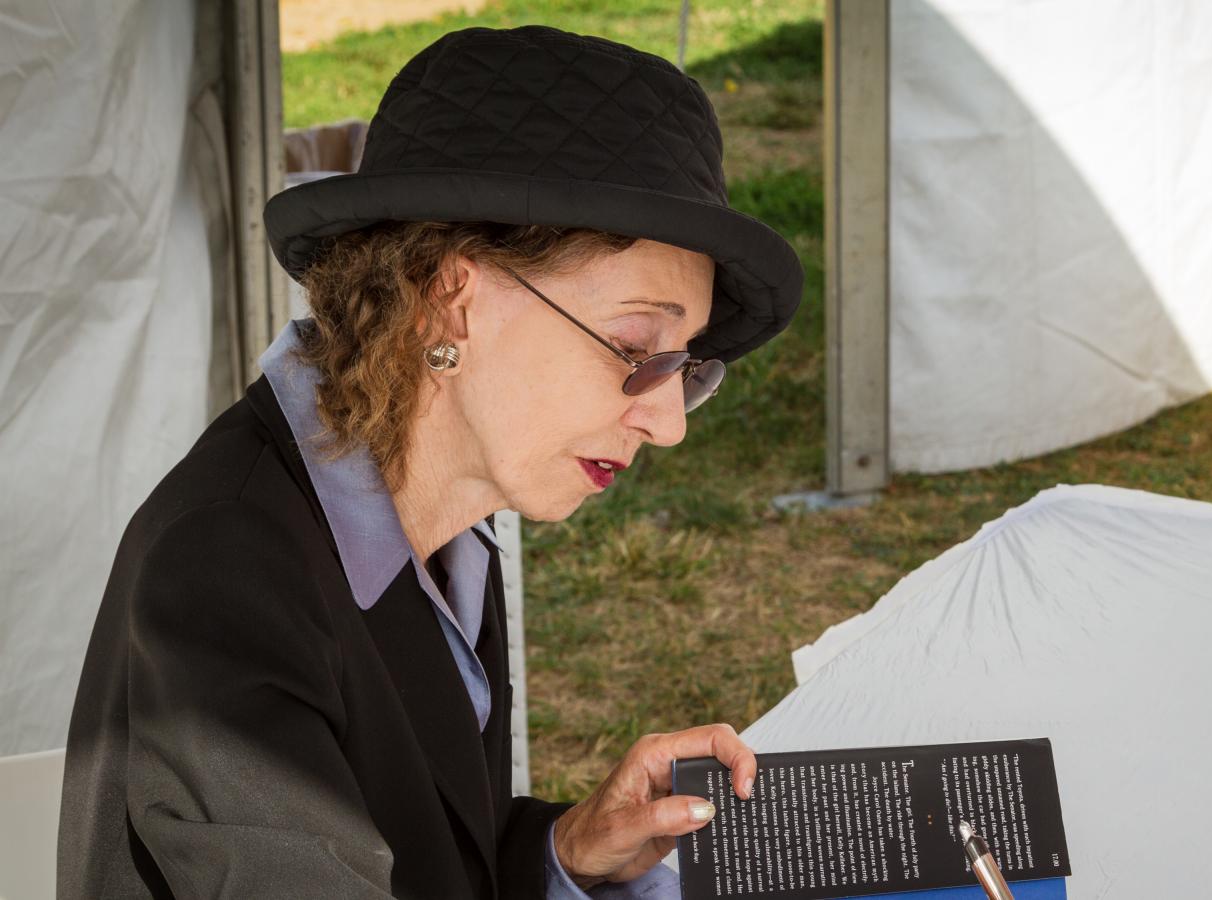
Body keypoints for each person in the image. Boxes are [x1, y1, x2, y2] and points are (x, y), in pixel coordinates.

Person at [56, 24, 803, 899]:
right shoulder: (225, 572)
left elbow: (432, 851)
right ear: (452, 300)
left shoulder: (439, 523)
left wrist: (563, 852)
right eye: (636, 345)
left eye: (688, 364)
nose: (669, 422)